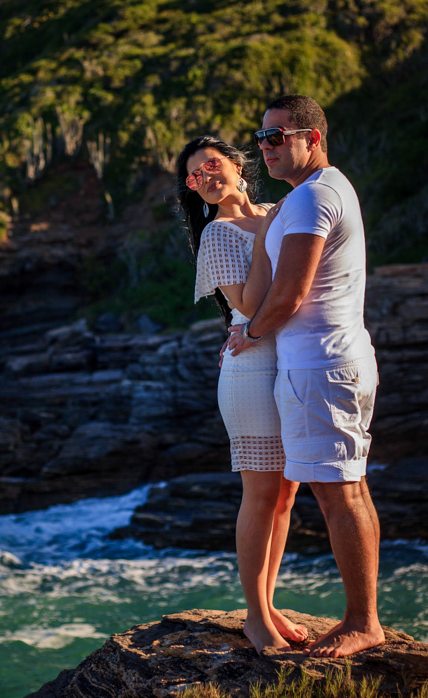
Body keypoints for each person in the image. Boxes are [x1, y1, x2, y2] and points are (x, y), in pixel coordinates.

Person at [225, 95, 385, 657]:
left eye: (276, 136)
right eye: (260, 137)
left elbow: (290, 292)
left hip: (321, 366)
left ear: (311, 137)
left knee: (340, 494)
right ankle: (362, 617)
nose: (264, 147)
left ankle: (364, 622)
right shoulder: (321, 191)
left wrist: (250, 334)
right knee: (349, 489)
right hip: (333, 361)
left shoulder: (314, 197)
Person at [175, 135, 306, 653]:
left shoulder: (280, 208)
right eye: (193, 176)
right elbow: (250, 304)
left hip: (294, 358)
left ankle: (268, 602)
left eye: (210, 165)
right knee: (260, 493)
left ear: (236, 165)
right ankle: (255, 617)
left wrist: (272, 221)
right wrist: (269, 228)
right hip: (250, 369)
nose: (204, 177)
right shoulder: (218, 233)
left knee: (288, 493)